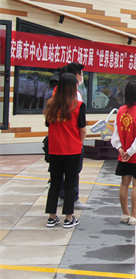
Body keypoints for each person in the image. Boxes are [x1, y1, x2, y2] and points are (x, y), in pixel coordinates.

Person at [44, 73, 86, 229]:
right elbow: (82, 130)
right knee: (70, 183)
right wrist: (79, 145)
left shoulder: (51, 104)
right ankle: (69, 218)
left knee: (54, 183)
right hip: (72, 150)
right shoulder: (79, 106)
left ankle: (51, 217)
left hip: (54, 150)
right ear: (72, 87)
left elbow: (48, 126)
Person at [111, 81, 136, 225]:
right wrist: (131, 151)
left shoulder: (120, 110)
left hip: (124, 155)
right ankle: (134, 215)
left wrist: (121, 149)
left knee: (124, 183)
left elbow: (115, 134)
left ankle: (125, 213)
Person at [55, 62, 90, 210]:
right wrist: (80, 143)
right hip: (72, 142)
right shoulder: (73, 95)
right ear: (76, 77)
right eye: (81, 75)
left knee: (61, 175)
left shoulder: (57, 93)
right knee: (73, 173)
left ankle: (62, 198)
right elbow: (80, 125)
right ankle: (71, 199)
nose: (82, 77)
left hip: (58, 143)